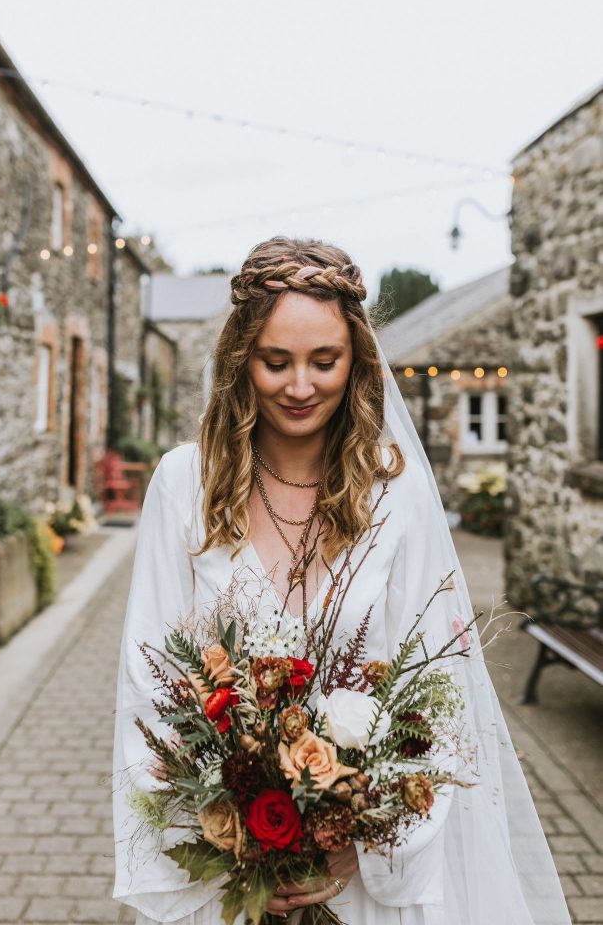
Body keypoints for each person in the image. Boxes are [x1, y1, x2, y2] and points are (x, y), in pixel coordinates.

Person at [112, 237, 572, 925]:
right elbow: (149, 673)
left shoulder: (395, 490)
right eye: (276, 362)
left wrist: (362, 838)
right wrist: (226, 834)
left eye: (323, 361)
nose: (300, 387)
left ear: (355, 360)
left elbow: (436, 687)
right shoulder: (185, 483)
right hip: (228, 863)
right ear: (240, 361)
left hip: (362, 867)